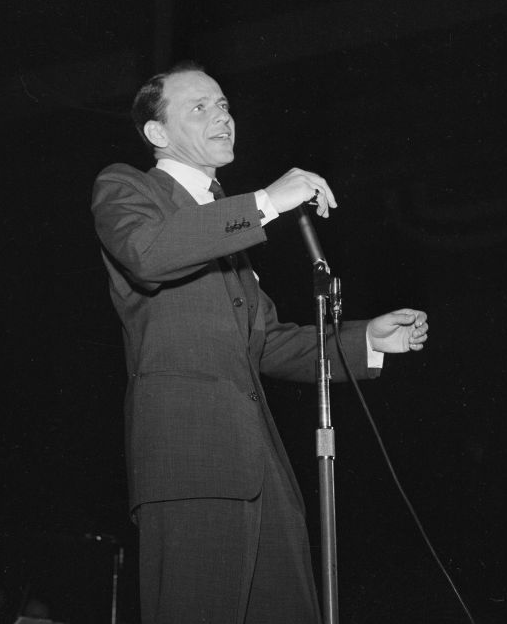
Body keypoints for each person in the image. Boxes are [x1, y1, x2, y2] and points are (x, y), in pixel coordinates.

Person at [91, 62, 430, 624]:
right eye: (198, 107)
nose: (221, 115)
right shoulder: (128, 186)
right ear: (157, 134)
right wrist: (266, 202)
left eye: (223, 104)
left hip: (260, 467)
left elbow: (267, 343)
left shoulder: (228, 234)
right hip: (189, 463)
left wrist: (364, 340)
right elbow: (149, 255)